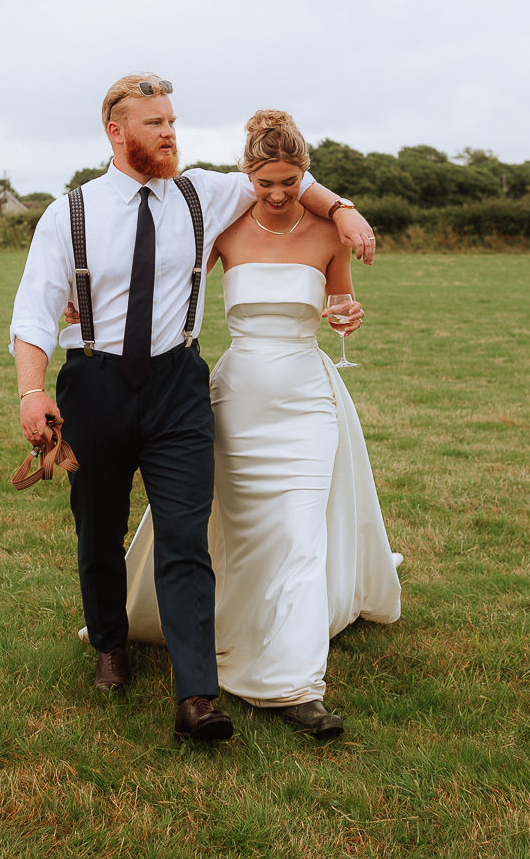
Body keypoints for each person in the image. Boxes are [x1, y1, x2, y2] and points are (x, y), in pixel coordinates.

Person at [9, 74, 377, 742]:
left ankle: (197, 695)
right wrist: (33, 392)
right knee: (98, 526)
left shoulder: (205, 191)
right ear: (117, 133)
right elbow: (33, 312)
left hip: (180, 384)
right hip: (93, 381)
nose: (170, 133)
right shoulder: (71, 213)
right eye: (154, 124)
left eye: (172, 121)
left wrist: (344, 207)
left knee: (186, 532)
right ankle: (111, 645)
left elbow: (290, 174)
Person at [117, 109, 402, 740]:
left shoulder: (329, 231)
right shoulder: (224, 226)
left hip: (305, 404)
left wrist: (344, 315)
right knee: (240, 533)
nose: (277, 194)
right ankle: (225, 636)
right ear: (247, 175)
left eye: (291, 181)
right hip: (237, 402)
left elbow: (338, 300)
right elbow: (173, 289)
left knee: (301, 538)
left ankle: (297, 686)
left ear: (307, 173)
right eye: (265, 182)